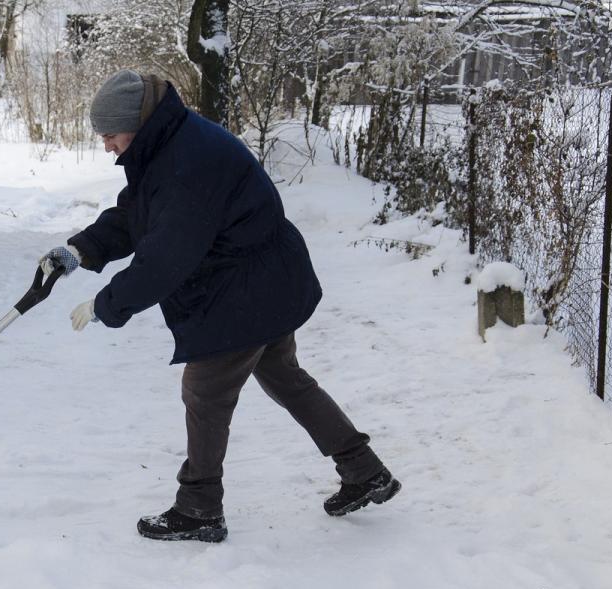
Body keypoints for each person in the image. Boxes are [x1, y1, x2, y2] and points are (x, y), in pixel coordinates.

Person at [40, 70, 400, 543]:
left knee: (205, 395)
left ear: (135, 123)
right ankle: (363, 470)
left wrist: (108, 304)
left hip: (244, 290)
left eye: (109, 135)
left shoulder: (188, 162)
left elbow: (166, 256)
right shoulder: (166, 144)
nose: (107, 146)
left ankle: (199, 507)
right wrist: (81, 250)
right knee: (286, 378)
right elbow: (137, 213)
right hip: (262, 281)